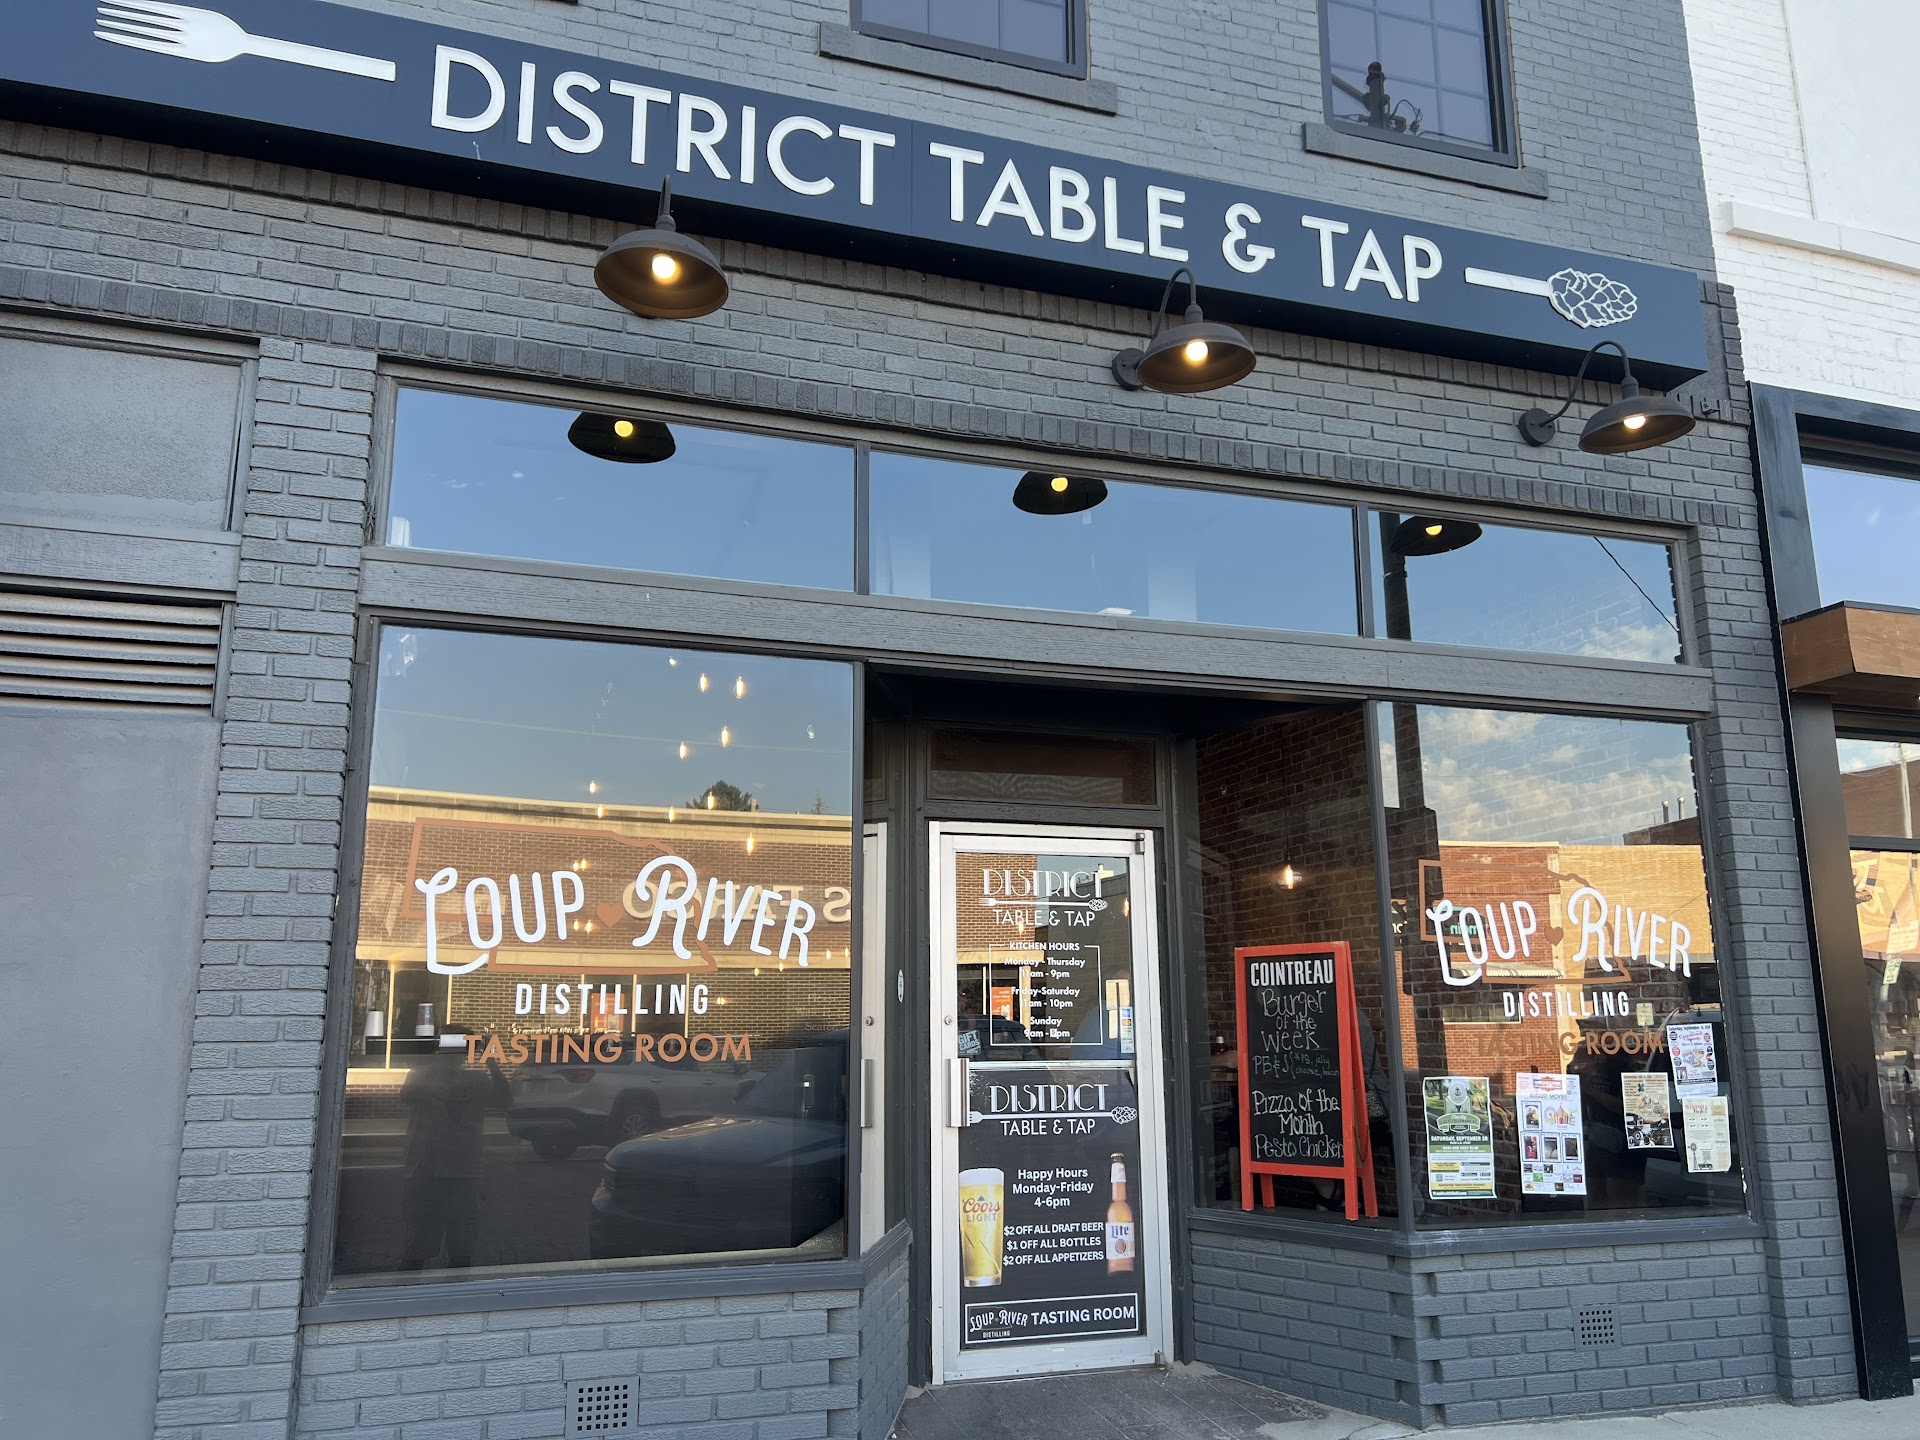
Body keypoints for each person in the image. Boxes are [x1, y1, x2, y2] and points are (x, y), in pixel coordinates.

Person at [400, 1029, 509, 1269]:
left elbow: (504, 1100)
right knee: (417, 1246)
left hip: (460, 1170)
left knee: (460, 1248)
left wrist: (490, 1060)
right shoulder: (421, 1076)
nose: (454, 1056)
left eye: (461, 1050)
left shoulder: (476, 1080)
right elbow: (407, 1095)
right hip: (427, 1169)